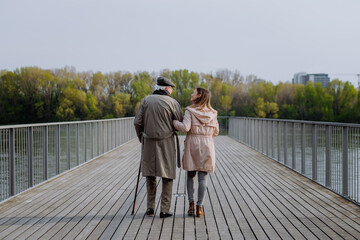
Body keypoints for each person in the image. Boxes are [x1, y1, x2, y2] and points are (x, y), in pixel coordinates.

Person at [134, 77, 183, 218]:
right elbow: (178, 123)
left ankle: (150, 208)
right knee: (167, 175)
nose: (172, 91)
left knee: (150, 175)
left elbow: (137, 122)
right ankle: (164, 209)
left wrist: (142, 138)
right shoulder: (173, 103)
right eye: (172, 89)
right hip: (166, 142)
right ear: (167, 88)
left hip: (148, 142)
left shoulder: (146, 100)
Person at [173, 88, 219, 217]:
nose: (191, 94)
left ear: (199, 95)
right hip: (207, 145)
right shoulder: (213, 113)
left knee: (190, 175)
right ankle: (199, 207)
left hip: (193, 144)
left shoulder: (190, 111)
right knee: (203, 178)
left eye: (193, 92)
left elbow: (185, 127)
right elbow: (216, 132)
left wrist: (174, 122)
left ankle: (191, 205)